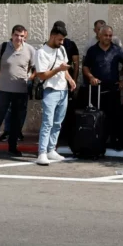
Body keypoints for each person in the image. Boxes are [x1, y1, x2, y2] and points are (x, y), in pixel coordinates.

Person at [0, 25, 36, 158]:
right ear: (12, 35)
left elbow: (35, 68)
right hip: (4, 91)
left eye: (21, 36)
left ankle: (12, 148)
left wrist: (29, 77)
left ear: (25, 36)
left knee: (16, 121)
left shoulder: (30, 50)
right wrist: (1, 77)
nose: (18, 38)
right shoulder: (3, 47)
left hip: (21, 92)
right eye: (16, 35)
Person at [83, 25, 123, 148]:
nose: (108, 38)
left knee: (114, 116)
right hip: (97, 89)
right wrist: (91, 77)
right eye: (106, 35)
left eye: (110, 35)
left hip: (113, 89)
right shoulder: (92, 50)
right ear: (99, 36)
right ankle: (97, 140)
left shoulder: (117, 50)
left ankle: (114, 141)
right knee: (97, 116)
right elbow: (85, 67)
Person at [35, 23, 77, 165]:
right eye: (59, 39)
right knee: (48, 122)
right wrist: (59, 69)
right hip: (50, 91)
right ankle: (42, 152)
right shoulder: (41, 52)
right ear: (52, 36)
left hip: (63, 90)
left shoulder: (62, 49)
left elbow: (64, 68)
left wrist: (70, 80)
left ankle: (51, 149)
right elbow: (42, 75)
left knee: (58, 123)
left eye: (63, 40)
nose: (61, 42)